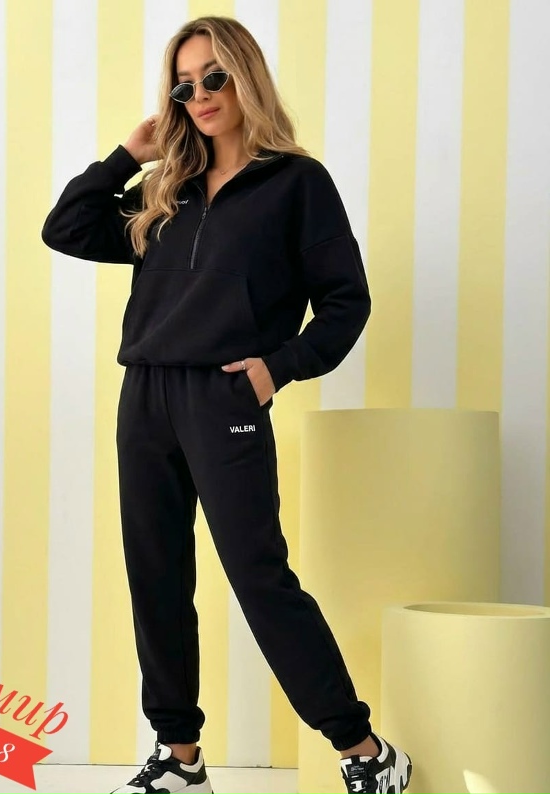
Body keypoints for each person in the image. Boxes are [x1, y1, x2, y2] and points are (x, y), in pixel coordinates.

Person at [41, 14, 412, 794]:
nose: (201, 94)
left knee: (257, 575)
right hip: (145, 396)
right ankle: (181, 761)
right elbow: (65, 228)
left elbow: (346, 302)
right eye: (184, 85)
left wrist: (279, 368)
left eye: (214, 77)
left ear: (246, 77)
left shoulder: (297, 184)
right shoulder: (164, 190)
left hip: (225, 396)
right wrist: (127, 155)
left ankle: (366, 751)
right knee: (156, 576)